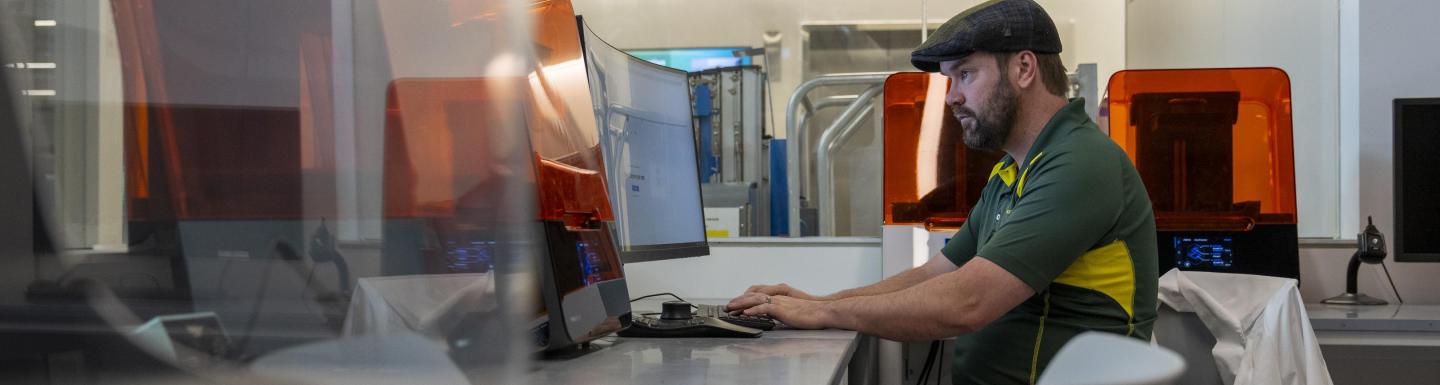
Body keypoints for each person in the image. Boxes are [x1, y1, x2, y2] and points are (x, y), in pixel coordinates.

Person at [725, 1, 1159, 383]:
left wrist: (823, 314)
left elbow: (968, 301)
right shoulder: (1013, 170)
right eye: (950, 80)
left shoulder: (1080, 163)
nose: (951, 97)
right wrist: (820, 302)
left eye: (965, 74)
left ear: (1024, 69)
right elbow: (940, 272)